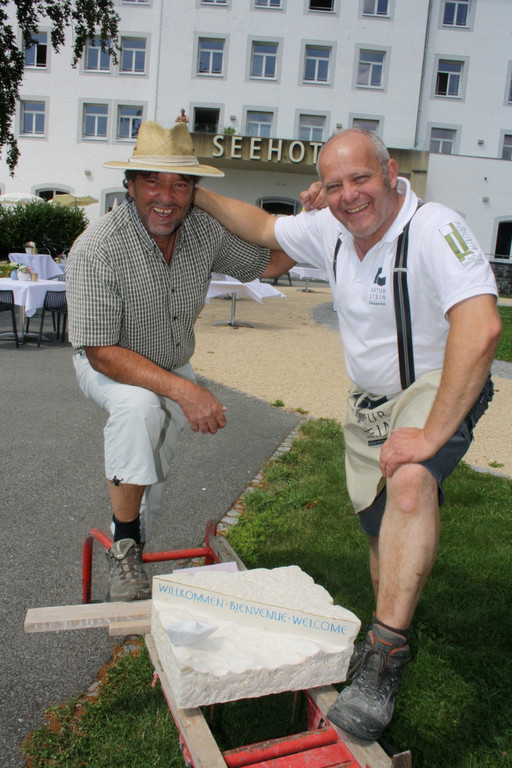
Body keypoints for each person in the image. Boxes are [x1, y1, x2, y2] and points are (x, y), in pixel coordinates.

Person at [193, 128, 502, 741]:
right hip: (369, 403)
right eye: (334, 185)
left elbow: (483, 328)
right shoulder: (329, 227)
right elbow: (260, 228)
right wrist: (196, 193)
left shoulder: (434, 226)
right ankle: (383, 631)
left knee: (409, 482)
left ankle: (384, 660)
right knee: (380, 524)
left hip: (434, 387)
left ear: (390, 173)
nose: (348, 195)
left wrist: (431, 434)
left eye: (360, 178)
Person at [66, 120, 290, 603]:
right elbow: (101, 351)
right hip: (107, 363)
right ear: (129, 184)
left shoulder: (202, 230)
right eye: (152, 180)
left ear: (195, 192)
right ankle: (124, 547)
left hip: (169, 365)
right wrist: (187, 390)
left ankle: (133, 539)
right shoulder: (97, 247)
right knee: (138, 409)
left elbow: (267, 263)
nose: (165, 196)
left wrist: (312, 224)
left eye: (180, 183)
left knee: (152, 479)